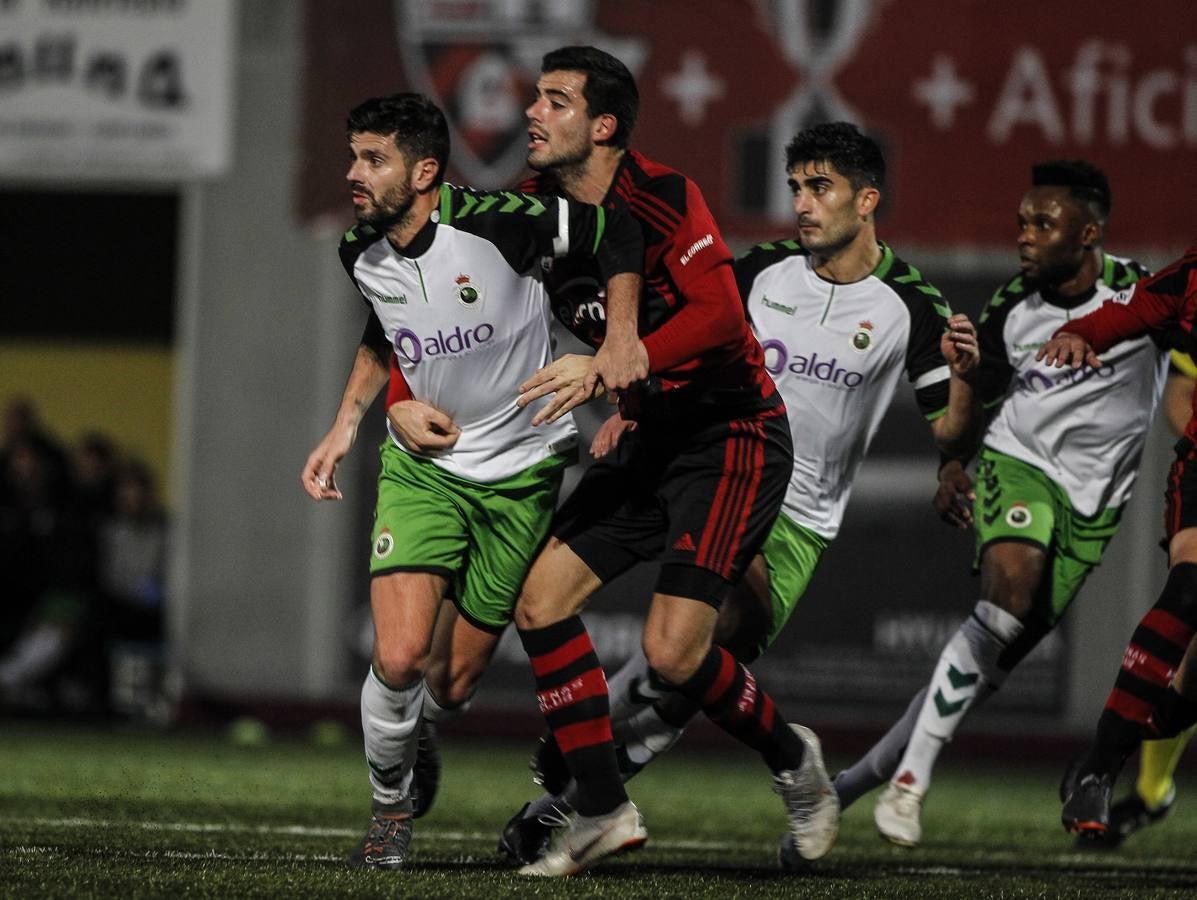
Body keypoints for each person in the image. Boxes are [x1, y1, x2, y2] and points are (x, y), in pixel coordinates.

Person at [500, 121, 983, 869]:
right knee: (669, 655)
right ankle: (584, 789)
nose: (803, 204)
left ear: (866, 199)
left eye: (819, 188)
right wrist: (632, 408)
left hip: (794, 519)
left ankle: (569, 795)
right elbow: (694, 349)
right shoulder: (757, 271)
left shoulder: (909, 304)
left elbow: (949, 432)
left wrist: (965, 380)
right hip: (706, 465)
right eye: (795, 187)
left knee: (682, 657)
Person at [493, 45, 835, 878]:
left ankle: (796, 762)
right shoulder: (534, 209)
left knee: (677, 653)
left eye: (555, 101)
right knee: (538, 602)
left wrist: (615, 368)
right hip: (652, 436)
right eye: (534, 98)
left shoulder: (663, 193)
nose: (531, 112)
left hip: (731, 438)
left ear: (602, 125)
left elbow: (719, 316)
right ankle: (604, 810)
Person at [300, 91, 644, 870]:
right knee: (397, 657)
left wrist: (614, 350)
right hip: (424, 472)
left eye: (372, 159)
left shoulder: (505, 223)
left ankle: (416, 731)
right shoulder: (359, 249)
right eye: (353, 155)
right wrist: (352, 424)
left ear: (424, 170)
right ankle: (389, 814)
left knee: (450, 687)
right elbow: (384, 330)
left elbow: (619, 231)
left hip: (522, 472)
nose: (353, 173)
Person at [833, 160, 1173, 848]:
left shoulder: (1143, 295)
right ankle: (908, 787)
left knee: (981, 668)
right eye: (1020, 222)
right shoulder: (1010, 306)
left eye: (1041, 224)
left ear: (1087, 234)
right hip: (1020, 469)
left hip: (1093, 506)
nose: (1023, 236)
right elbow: (971, 410)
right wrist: (953, 459)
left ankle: (844, 787)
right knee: (1006, 595)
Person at [1037, 245, 1197, 838]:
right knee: (1188, 589)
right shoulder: (1191, 277)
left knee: (1183, 699)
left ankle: (1115, 752)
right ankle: (1102, 769)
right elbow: (1122, 313)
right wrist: (1081, 332)